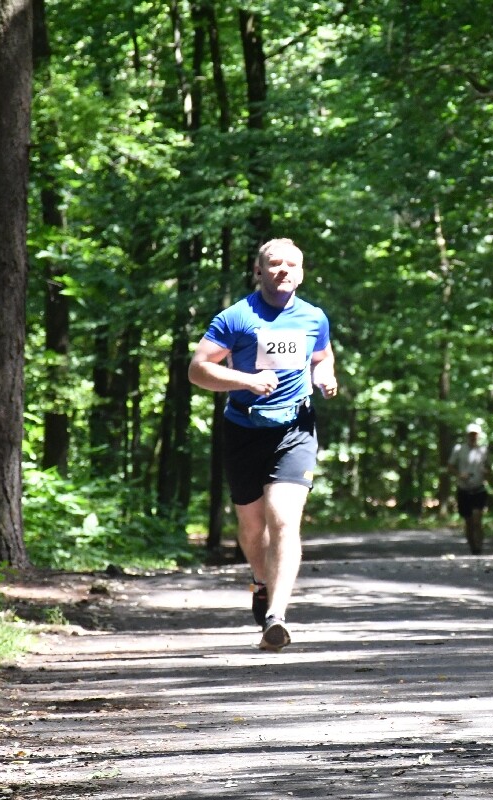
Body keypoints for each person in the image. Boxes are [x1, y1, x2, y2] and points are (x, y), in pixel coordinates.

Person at [188, 237, 339, 651]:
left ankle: (277, 614)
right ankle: (260, 580)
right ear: (259, 271)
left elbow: (322, 356)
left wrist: (326, 375)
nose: (283, 270)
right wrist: (245, 381)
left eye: (292, 264)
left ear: (302, 272)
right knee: (253, 529)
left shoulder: (313, 318)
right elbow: (197, 370)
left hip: (295, 429)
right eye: (274, 264)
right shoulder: (235, 318)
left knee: (283, 519)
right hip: (244, 429)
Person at [446, 422, 489, 554]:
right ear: (467, 435)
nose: (473, 437)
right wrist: (460, 474)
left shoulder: (483, 450)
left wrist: (486, 472)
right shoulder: (459, 449)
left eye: (475, 435)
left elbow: (489, 468)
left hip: (479, 489)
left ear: (479, 436)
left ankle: (479, 546)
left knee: (477, 519)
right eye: (471, 434)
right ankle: (472, 547)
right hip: (464, 489)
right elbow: (450, 466)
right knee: (469, 521)